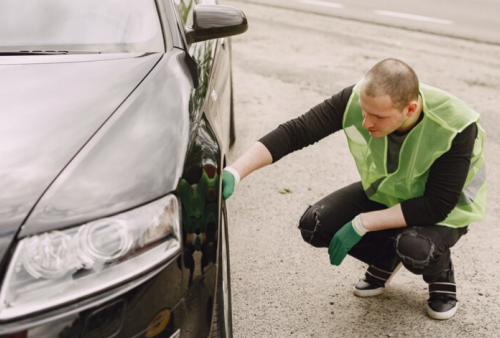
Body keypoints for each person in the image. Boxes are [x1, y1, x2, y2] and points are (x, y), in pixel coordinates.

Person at [221, 58, 487, 320]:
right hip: (389, 193)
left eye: (378, 117)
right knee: (314, 225)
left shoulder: (455, 125)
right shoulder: (359, 98)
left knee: (416, 249)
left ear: (410, 108)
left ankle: (440, 274)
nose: (366, 122)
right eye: (364, 111)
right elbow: (296, 131)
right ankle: (385, 260)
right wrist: (236, 171)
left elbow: (436, 205)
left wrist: (363, 223)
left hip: (444, 212)